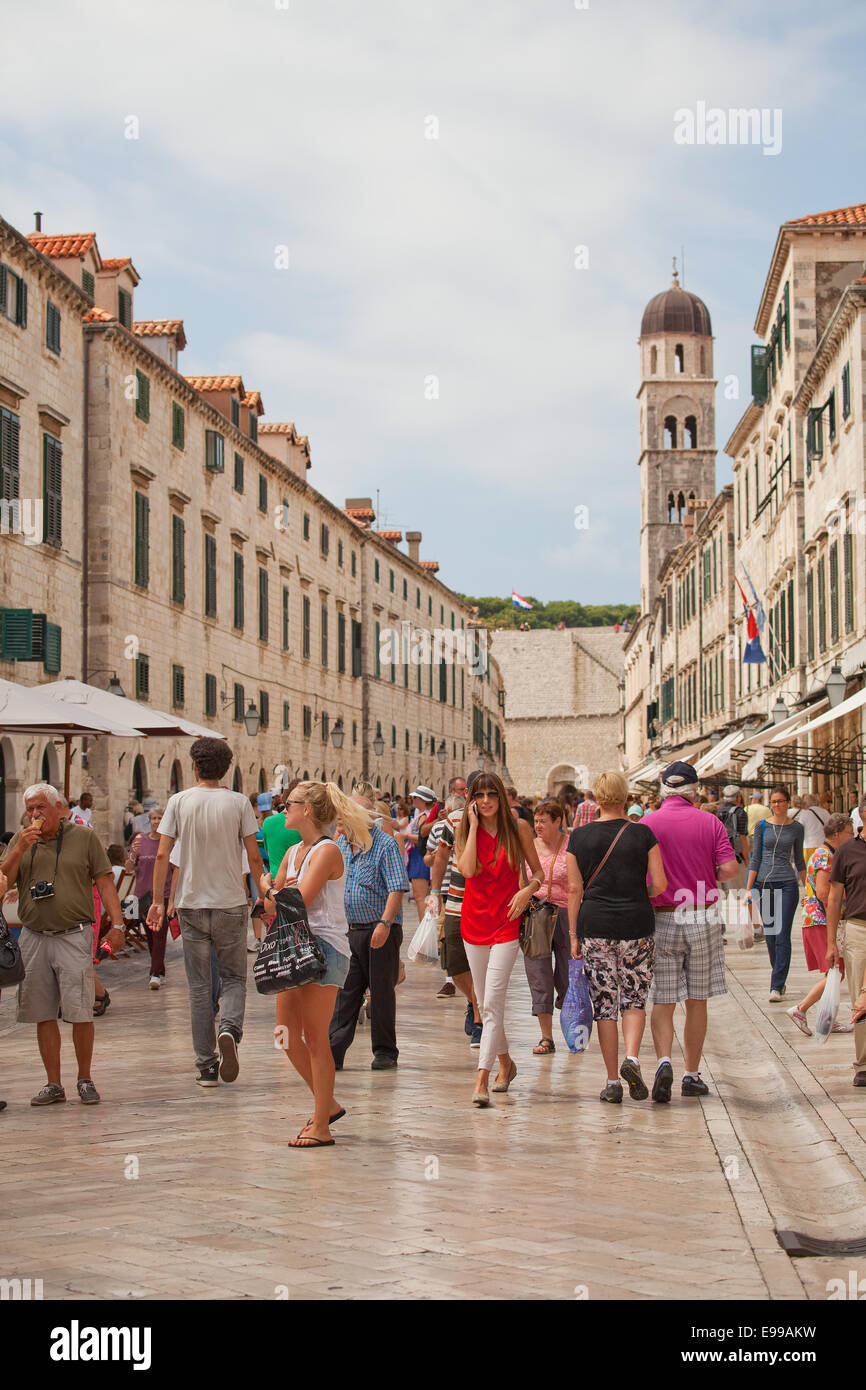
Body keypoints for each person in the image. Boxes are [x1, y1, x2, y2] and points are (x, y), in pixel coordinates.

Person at [0, 782, 126, 1106]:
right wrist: (18, 850)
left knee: (80, 1010)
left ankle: (85, 1078)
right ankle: (53, 1083)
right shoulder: (21, 840)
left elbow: (104, 881)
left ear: (58, 808)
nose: (34, 815)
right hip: (34, 935)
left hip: (73, 934)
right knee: (43, 1012)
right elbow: (3, 882)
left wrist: (119, 925)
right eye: (29, 809)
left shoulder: (83, 838)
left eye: (40, 808)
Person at [148, 738, 263, 1088]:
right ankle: (229, 1027)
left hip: (190, 904)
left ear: (195, 767)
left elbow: (163, 855)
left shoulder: (179, 802)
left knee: (199, 987)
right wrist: (263, 893)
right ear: (226, 769)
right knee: (232, 978)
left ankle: (206, 1066)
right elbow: (254, 856)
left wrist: (157, 900)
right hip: (230, 903)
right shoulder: (239, 803)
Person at [263, 782, 366, 1148]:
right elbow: (273, 904)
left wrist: (272, 890)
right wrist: (274, 892)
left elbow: (298, 900)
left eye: (288, 804)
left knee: (315, 1037)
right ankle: (329, 1104)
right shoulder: (292, 852)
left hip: (324, 948)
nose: (282, 809)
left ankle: (321, 1124)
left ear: (306, 809)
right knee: (283, 1035)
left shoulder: (327, 851)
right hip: (293, 946)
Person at [643, 761, 739, 1100]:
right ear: (694, 789)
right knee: (697, 1000)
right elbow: (729, 868)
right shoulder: (710, 822)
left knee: (664, 999)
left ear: (664, 789)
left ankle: (664, 1061)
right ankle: (692, 1074)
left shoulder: (647, 823)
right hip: (701, 915)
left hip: (662, 916)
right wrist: (706, 873)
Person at [568, 773, 666, 1101]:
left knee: (605, 1004)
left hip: (595, 925)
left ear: (597, 797)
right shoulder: (643, 833)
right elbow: (661, 885)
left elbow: (573, 889)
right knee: (634, 998)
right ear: (625, 796)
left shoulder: (579, 837)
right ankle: (633, 1058)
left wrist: (572, 935)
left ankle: (612, 1082)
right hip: (637, 923)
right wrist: (640, 893)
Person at [455, 772, 543, 1107]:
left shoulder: (518, 828)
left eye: (493, 794)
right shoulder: (465, 830)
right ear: (472, 800)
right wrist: (475, 828)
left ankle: (481, 1078)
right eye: (480, 795)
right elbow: (466, 870)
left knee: (491, 1003)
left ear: (502, 798)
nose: (487, 800)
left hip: (506, 922)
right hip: (473, 923)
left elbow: (539, 873)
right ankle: (505, 1062)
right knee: (485, 1002)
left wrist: (527, 890)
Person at [329, 790, 410, 1070]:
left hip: (379, 929)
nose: (341, 821)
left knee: (381, 992)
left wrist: (385, 924)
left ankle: (385, 1052)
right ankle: (334, 1050)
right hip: (349, 931)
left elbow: (397, 887)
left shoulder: (385, 845)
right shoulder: (340, 845)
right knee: (346, 991)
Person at [787, 814, 854, 1035]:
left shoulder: (826, 854)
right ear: (837, 835)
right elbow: (825, 893)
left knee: (836, 972)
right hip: (820, 921)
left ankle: (827, 1018)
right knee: (835, 971)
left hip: (818, 920)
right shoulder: (825, 856)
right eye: (849, 833)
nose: (852, 837)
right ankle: (800, 1009)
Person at [745, 784, 806, 1002]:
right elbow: (755, 858)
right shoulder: (762, 826)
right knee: (770, 935)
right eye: (774, 801)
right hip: (763, 884)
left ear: (788, 803)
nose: (777, 805)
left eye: (780, 801)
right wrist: (748, 889)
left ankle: (777, 985)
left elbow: (799, 859)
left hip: (787, 884)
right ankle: (778, 974)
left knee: (782, 935)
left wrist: (808, 888)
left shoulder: (797, 828)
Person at [525, 799, 571, 1055]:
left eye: (544, 821)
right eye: (536, 821)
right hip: (537, 914)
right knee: (538, 973)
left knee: (567, 974)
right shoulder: (529, 847)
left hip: (565, 914)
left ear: (558, 821)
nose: (538, 825)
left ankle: (572, 1025)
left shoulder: (571, 846)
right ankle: (546, 1037)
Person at [826, 796, 866, 1084]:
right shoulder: (847, 851)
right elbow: (834, 897)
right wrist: (831, 942)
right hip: (859, 928)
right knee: (860, 999)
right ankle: (863, 1065)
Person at [126, 807, 174, 988]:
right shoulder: (140, 840)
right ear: (149, 821)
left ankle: (154, 974)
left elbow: (175, 869)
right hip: (143, 894)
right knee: (150, 936)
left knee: (160, 934)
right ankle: (159, 968)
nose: (156, 821)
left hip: (163, 894)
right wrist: (132, 854)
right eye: (153, 818)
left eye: (159, 818)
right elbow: (129, 868)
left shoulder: (169, 842)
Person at [405, 787, 438, 921]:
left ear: (422, 800)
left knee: (420, 897)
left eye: (415, 798)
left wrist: (405, 835)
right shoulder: (427, 814)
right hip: (421, 856)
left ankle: (423, 928)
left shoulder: (423, 816)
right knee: (424, 897)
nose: (413, 800)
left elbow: (421, 837)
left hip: (419, 857)